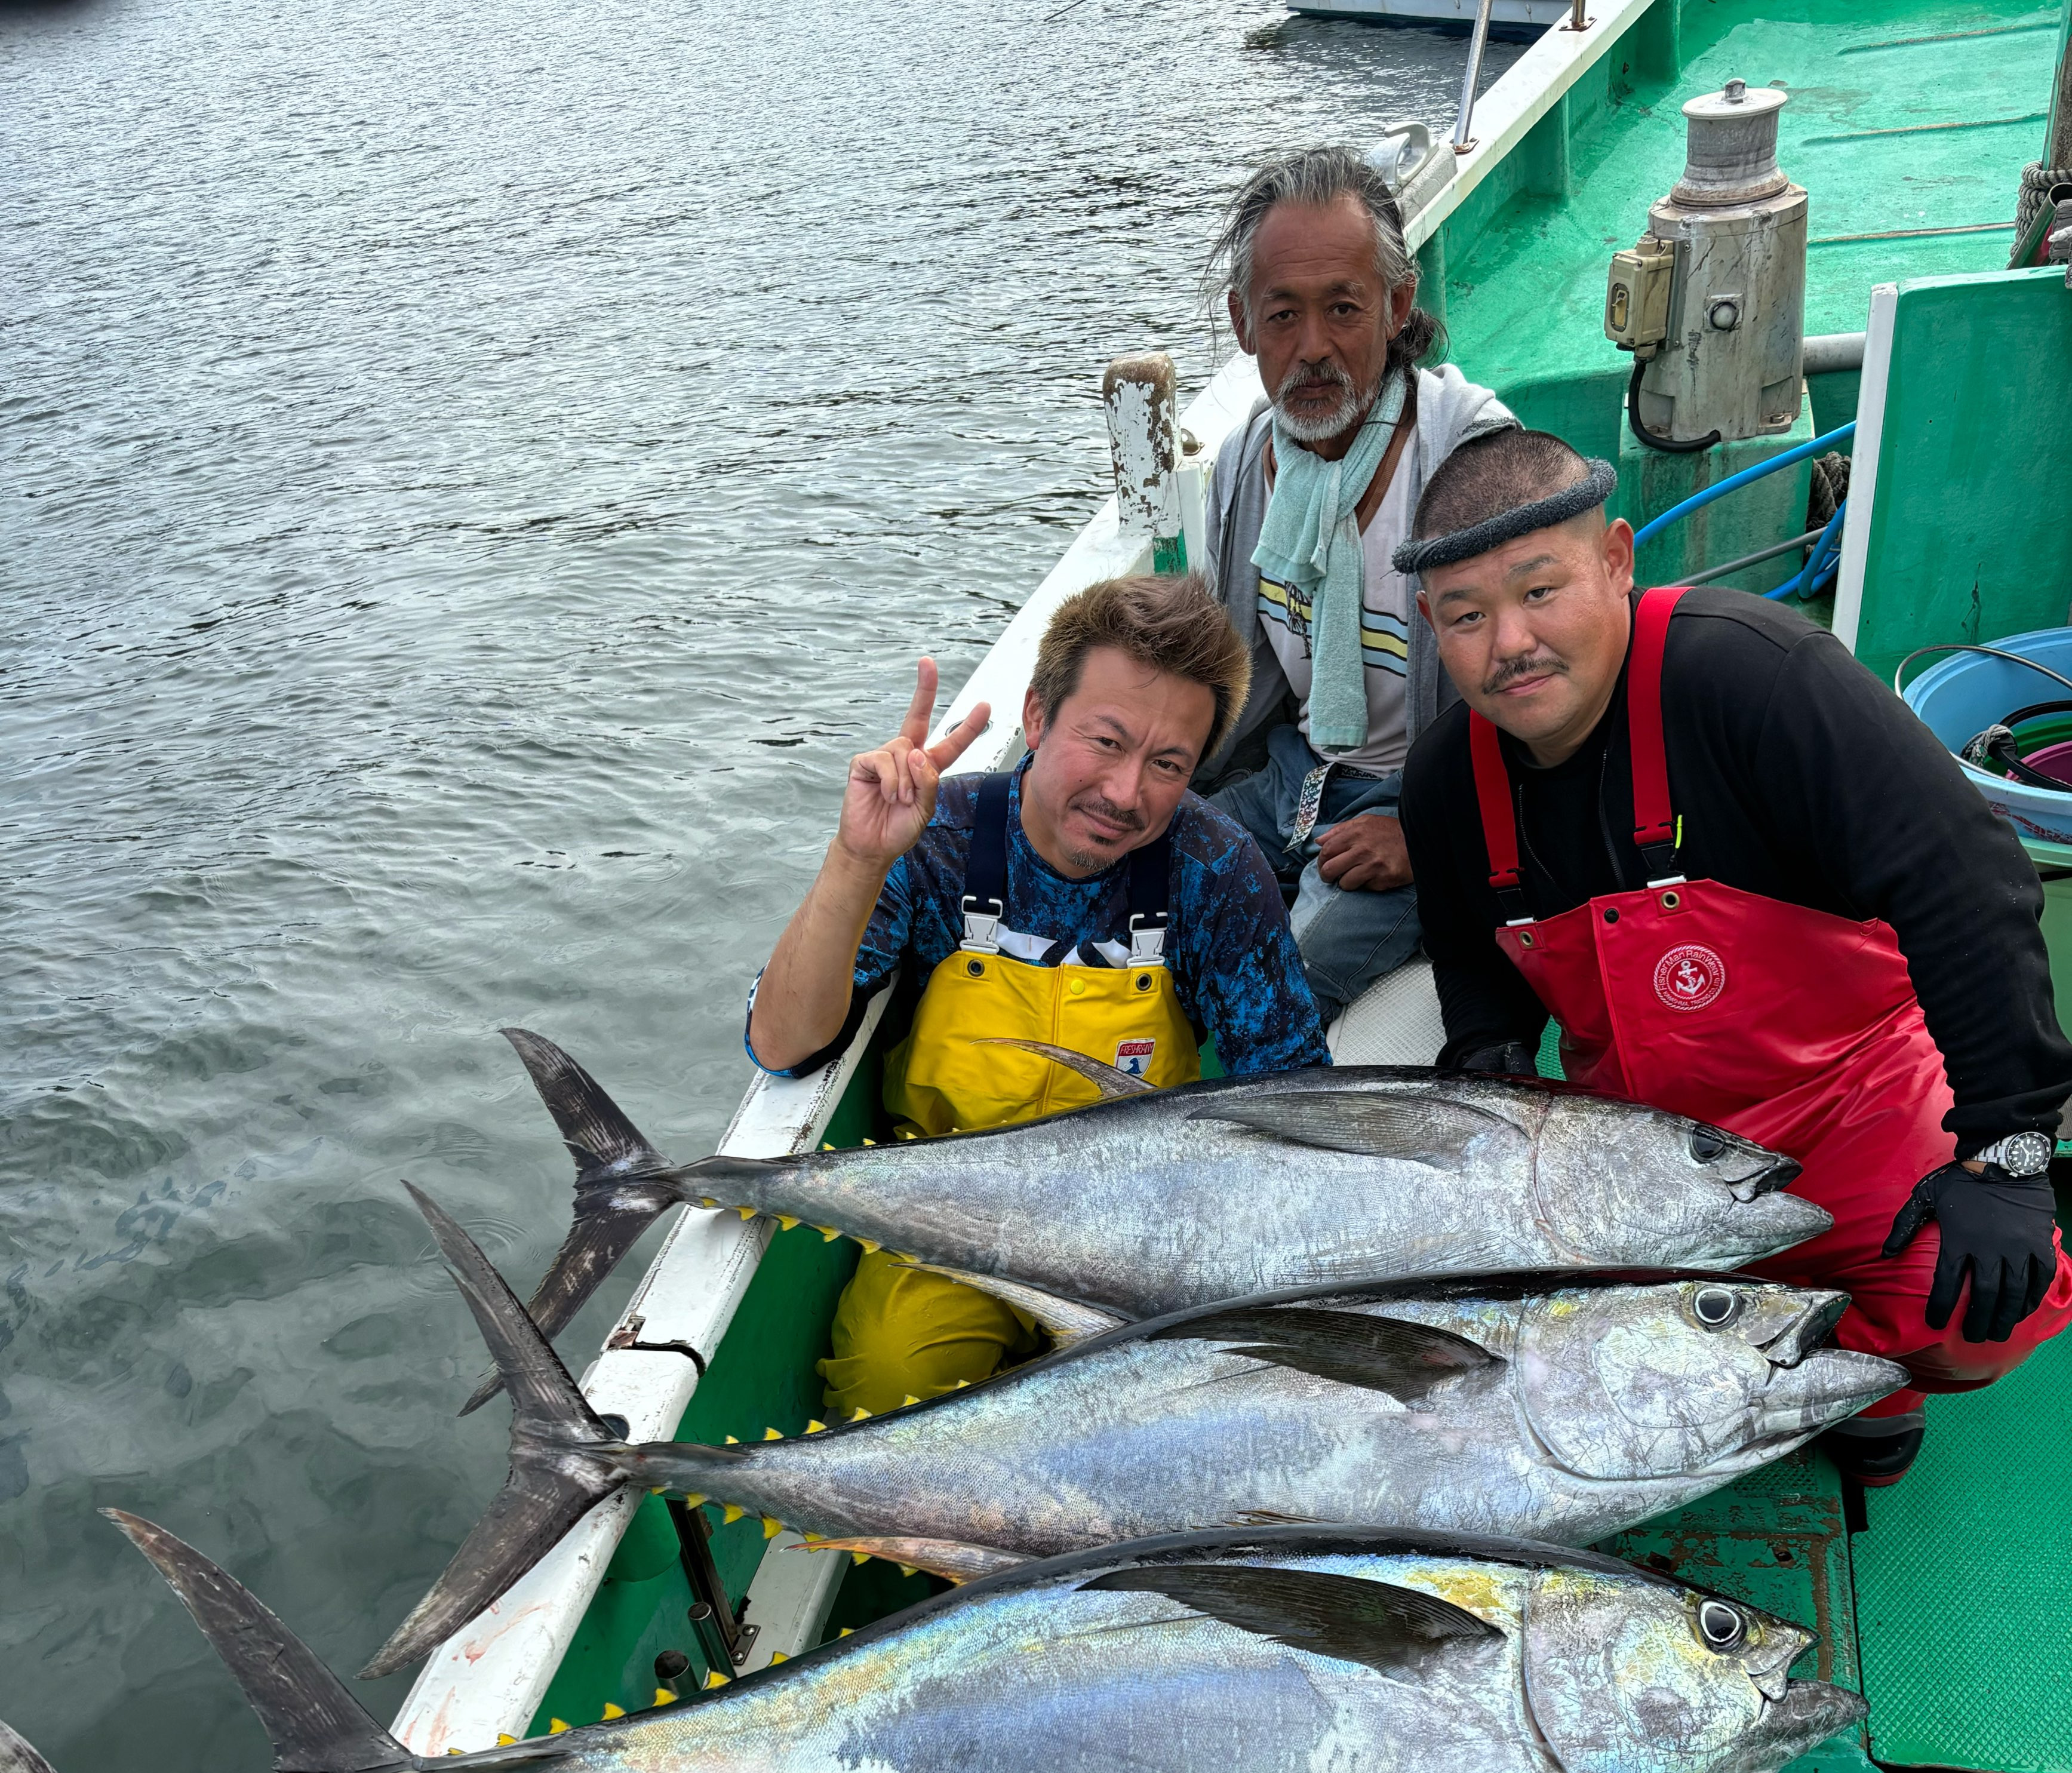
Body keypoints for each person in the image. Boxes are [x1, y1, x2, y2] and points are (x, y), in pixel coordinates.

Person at [1395, 428, 2072, 1487]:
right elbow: (1470, 970)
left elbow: (1969, 888)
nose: (1508, 644)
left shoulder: (1761, 681)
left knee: (1984, 1308)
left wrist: (2009, 1148)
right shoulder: (1443, 782)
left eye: (1539, 591)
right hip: (1637, 1160)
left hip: (1855, 1113)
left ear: (1617, 560)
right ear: (1431, 627)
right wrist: (1485, 1056)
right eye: (1466, 616)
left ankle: (1867, 1384)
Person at [748, 573, 1329, 1415]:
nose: (1126, 793)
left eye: (1166, 764)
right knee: (889, 1378)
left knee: (1195, 1407)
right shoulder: (934, 838)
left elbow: (1293, 1101)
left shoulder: (1216, 869)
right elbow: (782, 1046)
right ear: (1035, 716)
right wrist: (859, 858)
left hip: (1150, 1228)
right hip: (947, 1221)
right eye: (1105, 741)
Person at [1198, 146, 1515, 1019]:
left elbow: (1548, 696)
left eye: (1342, 309)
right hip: (1295, 777)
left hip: (1434, 793)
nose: (1311, 350)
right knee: (1140, 868)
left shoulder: (1469, 455)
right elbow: (1222, 669)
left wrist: (1432, 833)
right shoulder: (1245, 461)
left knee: (1289, 972)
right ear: (1241, 323)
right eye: (1281, 316)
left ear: (1397, 306)